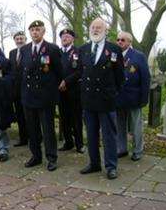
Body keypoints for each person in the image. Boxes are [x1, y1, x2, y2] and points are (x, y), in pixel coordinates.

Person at [79, 17, 124, 180]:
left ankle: (111, 166)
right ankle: (94, 163)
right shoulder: (83, 49)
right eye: (93, 28)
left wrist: (112, 93)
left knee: (109, 135)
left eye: (99, 28)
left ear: (105, 31)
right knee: (91, 134)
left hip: (106, 100)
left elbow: (120, 77)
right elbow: (80, 74)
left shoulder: (114, 49)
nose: (95, 30)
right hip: (89, 100)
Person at [19, 20, 62, 171]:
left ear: (43, 32)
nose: (35, 32)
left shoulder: (52, 49)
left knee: (48, 130)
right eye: (32, 30)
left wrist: (52, 91)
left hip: (45, 97)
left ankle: (51, 158)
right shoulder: (24, 50)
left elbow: (59, 72)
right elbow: (21, 72)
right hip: (29, 96)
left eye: (38, 29)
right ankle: (36, 156)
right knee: (32, 129)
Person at [116, 31, 150, 161]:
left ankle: (137, 150)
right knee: (120, 126)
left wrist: (144, 98)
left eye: (123, 40)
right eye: (118, 40)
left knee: (136, 126)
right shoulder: (114, 56)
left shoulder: (138, 56)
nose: (119, 42)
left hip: (133, 98)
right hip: (118, 98)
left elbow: (145, 78)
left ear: (130, 42)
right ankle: (122, 148)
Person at [58, 28, 84, 153]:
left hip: (74, 91)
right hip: (60, 91)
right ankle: (68, 142)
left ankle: (79, 144)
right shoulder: (57, 52)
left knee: (76, 118)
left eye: (67, 36)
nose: (65, 38)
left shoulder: (78, 52)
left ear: (73, 39)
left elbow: (80, 71)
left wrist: (66, 81)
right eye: (63, 37)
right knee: (64, 118)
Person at [8, 31, 28, 147]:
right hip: (16, 90)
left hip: (27, 89)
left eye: (21, 38)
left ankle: (35, 137)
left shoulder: (29, 50)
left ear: (25, 39)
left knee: (30, 115)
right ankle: (23, 138)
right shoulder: (12, 53)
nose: (19, 40)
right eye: (17, 39)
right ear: (14, 40)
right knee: (20, 115)